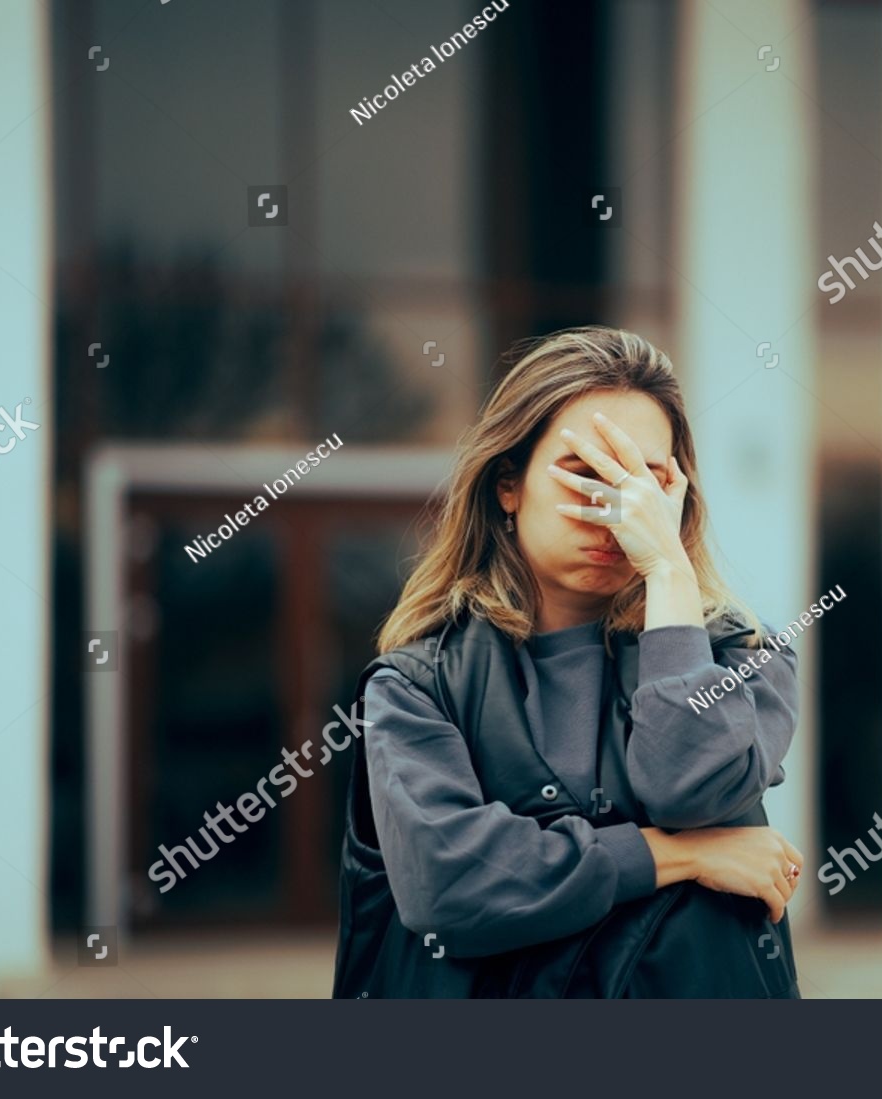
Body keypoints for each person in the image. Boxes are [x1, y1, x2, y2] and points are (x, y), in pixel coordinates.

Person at [332, 326, 805, 998]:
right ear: (508, 484)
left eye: (643, 480)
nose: (617, 509)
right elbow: (451, 883)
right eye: (588, 474)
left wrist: (669, 571)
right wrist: (683, 855)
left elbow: (693, 789)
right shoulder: (420, 682)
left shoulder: (745, 653)